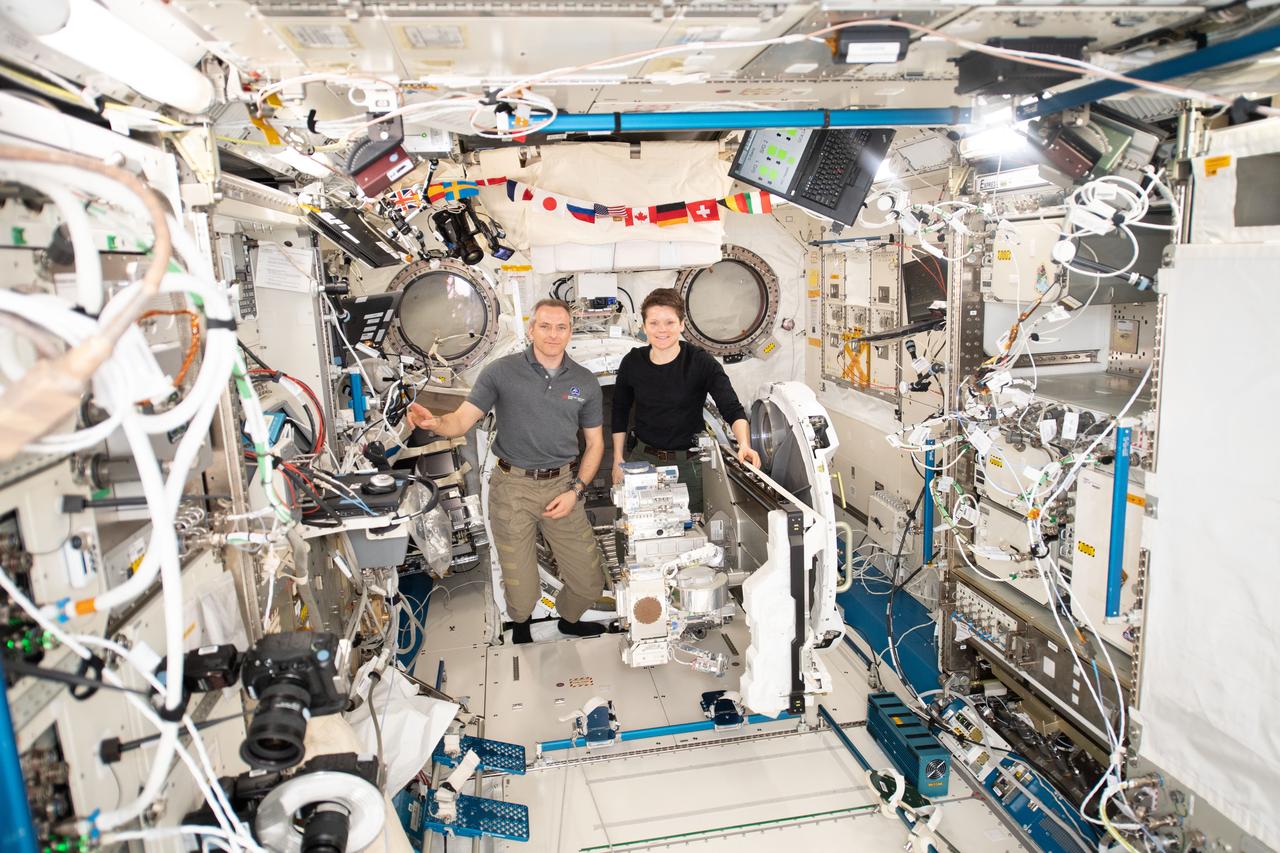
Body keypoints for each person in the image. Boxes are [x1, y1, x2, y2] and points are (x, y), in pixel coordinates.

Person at [406, 299, 607, 645]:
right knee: (522, 589)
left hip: (562, 486)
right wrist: (435, 422)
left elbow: (596, 444)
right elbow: (461, 420)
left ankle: (569, 620)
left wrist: (575, 491)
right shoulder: (501, 372)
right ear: (531, 329)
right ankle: (521, 625)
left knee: (589, 582)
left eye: (561, 327)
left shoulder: (585, 382)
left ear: (570, 332)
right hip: (512, 488)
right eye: (545, 326)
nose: (553, 334)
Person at [611, 288, 761, 511]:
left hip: (689, 466)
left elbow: (731, 408)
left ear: (681, 325)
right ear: (644, 327)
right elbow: (619, 412)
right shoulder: (633, 362)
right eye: (654, 323)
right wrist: (618, 460)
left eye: (670, 322)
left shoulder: (700, 362)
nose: (662, 330)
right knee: (638, 529)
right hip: (642, 461)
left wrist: (745, 445)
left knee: (692, 531)